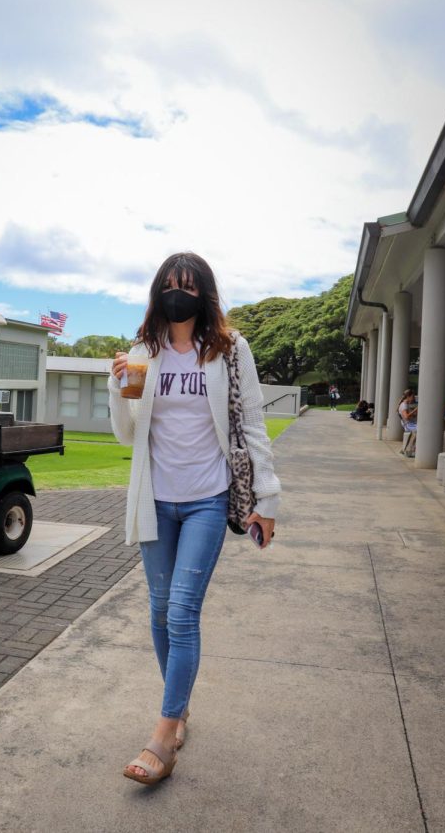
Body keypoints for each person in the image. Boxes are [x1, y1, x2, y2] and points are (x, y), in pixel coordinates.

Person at [108, 252, 280, 786]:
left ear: (204, 293)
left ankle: (162, 736)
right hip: (155, 499)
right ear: (157, 291)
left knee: (182, 612)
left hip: (208, 498)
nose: (176, 292)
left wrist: (267, 500)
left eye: (187, 285)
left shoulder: (229, 350)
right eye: (169, 284)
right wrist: (118, 389)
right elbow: (129, 436)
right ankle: (178, 710)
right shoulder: (145, 351)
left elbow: (252, 424)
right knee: (159, 613)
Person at [398, 389, 418, 457]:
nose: (413, 398)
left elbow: (407, 416)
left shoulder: (405, 404)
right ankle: (410, 450)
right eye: (413, 396)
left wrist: (414, 414)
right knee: (421, 430)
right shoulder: (404, 405)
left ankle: (407, 449)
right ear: (408, 397)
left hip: (410, 424)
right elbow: (406, 417)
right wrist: (415, 410)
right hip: (408, 425)